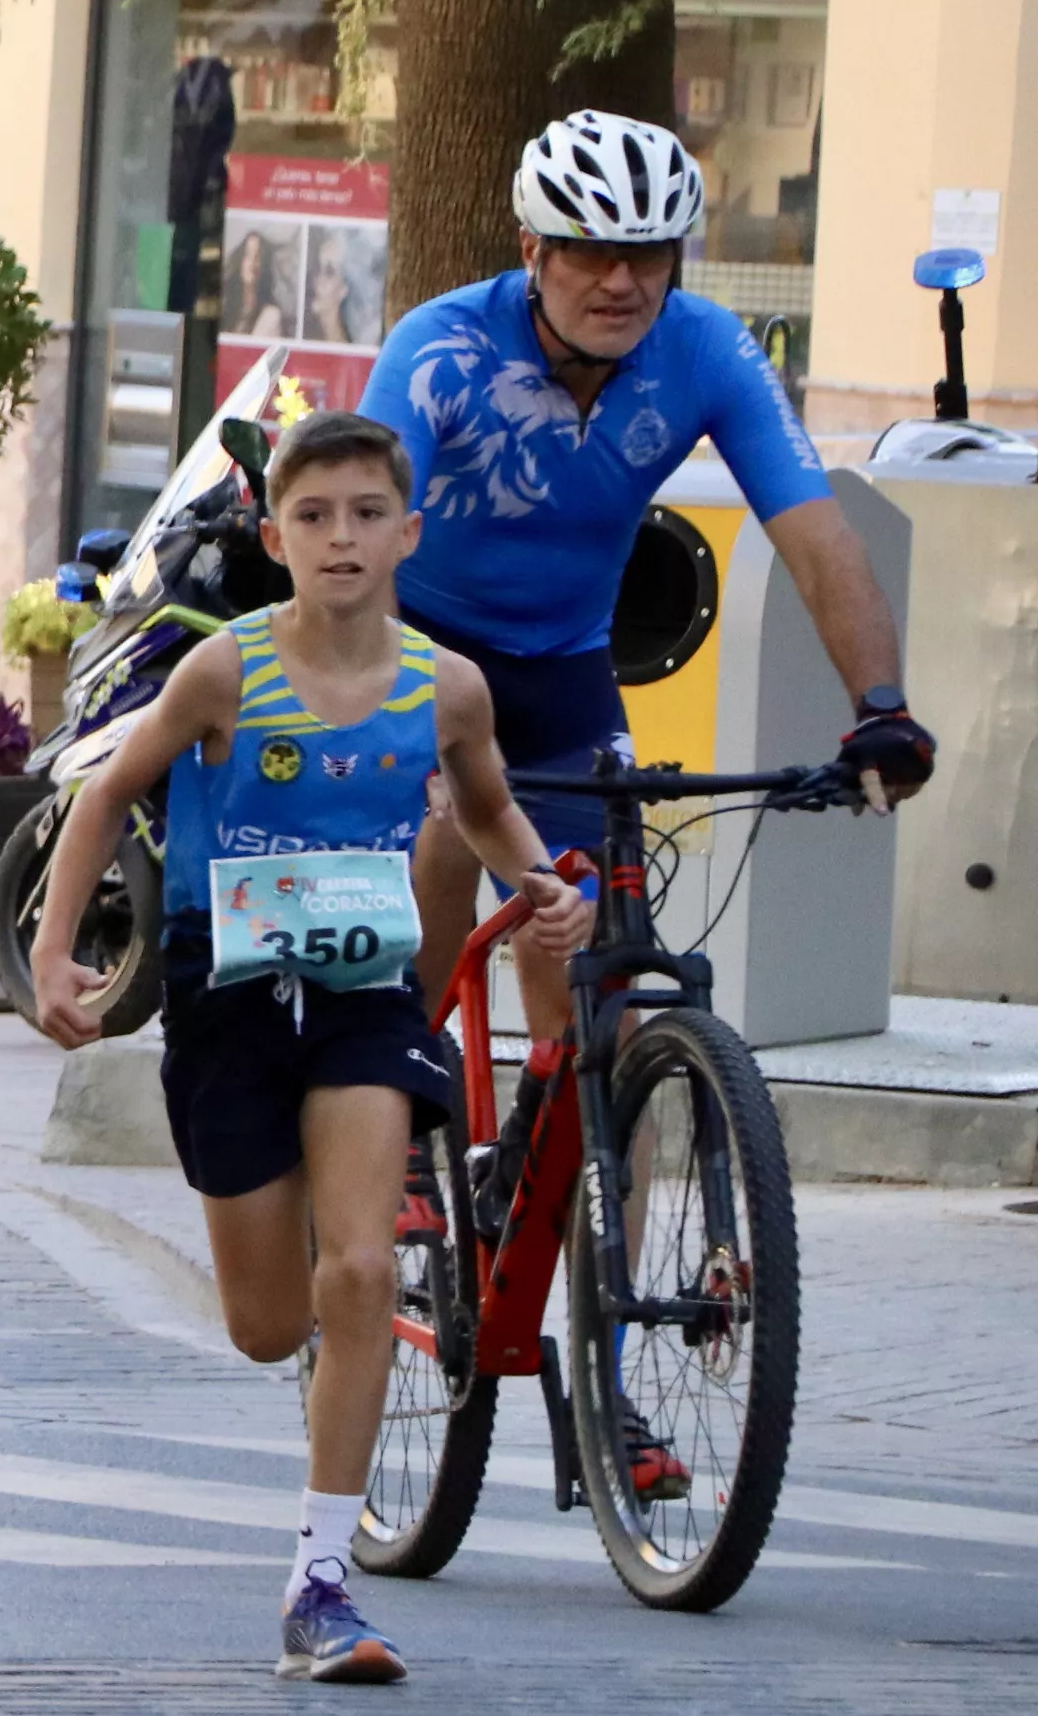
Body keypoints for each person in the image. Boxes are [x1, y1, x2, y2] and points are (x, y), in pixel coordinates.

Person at [28, 410, 588, 1684]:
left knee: (358, 1278)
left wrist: (543, 883)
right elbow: (105, 793)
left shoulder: (446, 685)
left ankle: (321, 1584)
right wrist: (66, 951)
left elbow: (491, 808)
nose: (343, 539)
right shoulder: (225, 672)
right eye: (316, 517)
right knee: (268, 1324)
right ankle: (286, 1279)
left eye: (367, 515)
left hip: (363, 993)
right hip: (227, 996)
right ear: (276, 538)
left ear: (409, 533)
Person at [364, 109, 937, 1046]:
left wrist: (880, 706)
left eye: (649, 253)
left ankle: (584, 1162)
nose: (622, 282)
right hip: (424, 652)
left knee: (599, 990)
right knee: (432, 881)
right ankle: (405, 1131)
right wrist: (387, 707)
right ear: (532, 250)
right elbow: (365, 534)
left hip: (567, 676)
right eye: (589, 254)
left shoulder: (705, 350)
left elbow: (821, 541)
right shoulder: (440, 349)